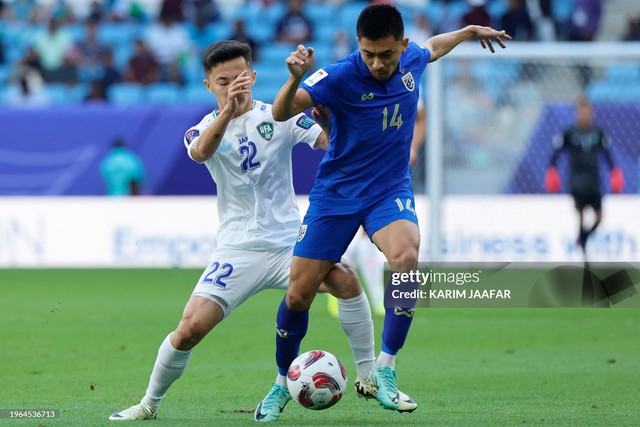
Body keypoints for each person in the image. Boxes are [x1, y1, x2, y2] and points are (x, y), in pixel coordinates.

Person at [108, 40, 413, 421]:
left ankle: (368, 377)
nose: (233, 86)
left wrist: (330, 123)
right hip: (237, 251)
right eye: (223, 81)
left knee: (347, 281)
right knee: (189, 329)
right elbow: (203, 151)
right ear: (208, 86)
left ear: (252, 76)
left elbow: (326, 142)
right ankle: (148, 404)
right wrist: (228, 112)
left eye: (240, 78)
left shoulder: (280, 115)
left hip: (289, 244)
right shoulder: (202, 128)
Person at [255, 3, 509, 420]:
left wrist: (466, 33)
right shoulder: (338, 75)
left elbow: (433, 47)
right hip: (336, 193)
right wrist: (294, 77)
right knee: (299, 293)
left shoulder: (413, 58)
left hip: (388, 189)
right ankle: (282, 381)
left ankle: (384, 371)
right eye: (368, 53)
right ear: (359, 46)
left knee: (406, 258)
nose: (376, 63)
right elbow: (282, 111)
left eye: (386, 55)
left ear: (401, 46)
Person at [544, 99, 623, 253]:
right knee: (580, 214)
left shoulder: (598, 132)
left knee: (599, 216)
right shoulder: (569, 133)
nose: (584, 115)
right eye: (581, 112)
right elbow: (556, 152)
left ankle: (583, 237)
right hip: (576, 179)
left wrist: (614, 172)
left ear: (591, 114)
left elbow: (607, 154)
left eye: (587, 112)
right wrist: (552, 171)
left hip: (594, 179)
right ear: (576, 114)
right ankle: (582, 246)